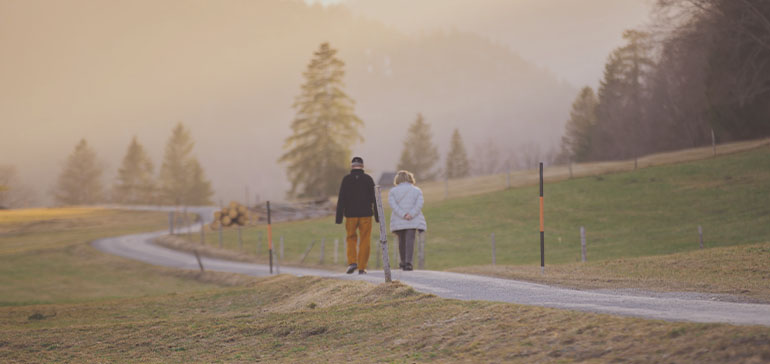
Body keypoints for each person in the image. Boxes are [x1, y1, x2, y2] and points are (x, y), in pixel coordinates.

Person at [336, 156, 379, 274]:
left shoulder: (346, 179)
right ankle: (361, 267)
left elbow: (341, 199)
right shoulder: (368, 179)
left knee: (351, 238)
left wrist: (339, 217)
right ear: (362, 166)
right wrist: (377, 216)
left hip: (350, 215)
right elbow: (375, 199)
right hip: (366, 215)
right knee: (365, 239)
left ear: (351, 166)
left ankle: (352, 262)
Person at [387, 170, 426, 271]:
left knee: (401, 241)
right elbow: (419, 204)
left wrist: (403, 214)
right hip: (412, 220)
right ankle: (409, 263)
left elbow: (393, 205)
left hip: (399, 219)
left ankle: (403, 262)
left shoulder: (393, 191)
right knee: (410, 241)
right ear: (410, 178)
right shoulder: (417, 190)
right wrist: (411, 214)